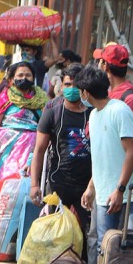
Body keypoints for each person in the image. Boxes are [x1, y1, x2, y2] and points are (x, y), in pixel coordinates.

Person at [76, 67, 133, 250]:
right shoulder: (93, 115)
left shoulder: (119, 110)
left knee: (132, 249)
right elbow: (102, 156)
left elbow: (131, 152)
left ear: (85, 92)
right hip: (104, 195)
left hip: (130, 194)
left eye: (80, 91)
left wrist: (120, 189)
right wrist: (91, 187)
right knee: (104, 248)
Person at [29, 64, 92, 236]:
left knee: (84, 235)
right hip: (59, 183)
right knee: (53, 234)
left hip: (87, 186)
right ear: (61, 86)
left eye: (76, 85)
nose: (71, 89)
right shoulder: (52, 112)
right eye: (67, 85)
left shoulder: (94, 113)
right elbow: (39, 150)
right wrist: (34, 185)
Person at [0, 61, 48, 182]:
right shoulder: (3, 99)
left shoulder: (42, 100)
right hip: (5, 151)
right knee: (3, 186)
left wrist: (33, 158)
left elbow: (46, 128)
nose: (24, 78)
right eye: (20, 75)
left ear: (33, 78)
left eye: (28, 75)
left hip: (31, 151)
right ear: (12, 79)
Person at [94, 43, 133, 125]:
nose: (97, 65)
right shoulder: (107, 91)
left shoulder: (130, 99)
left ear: (105, 66)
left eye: (100, 61)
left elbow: (126, 136)